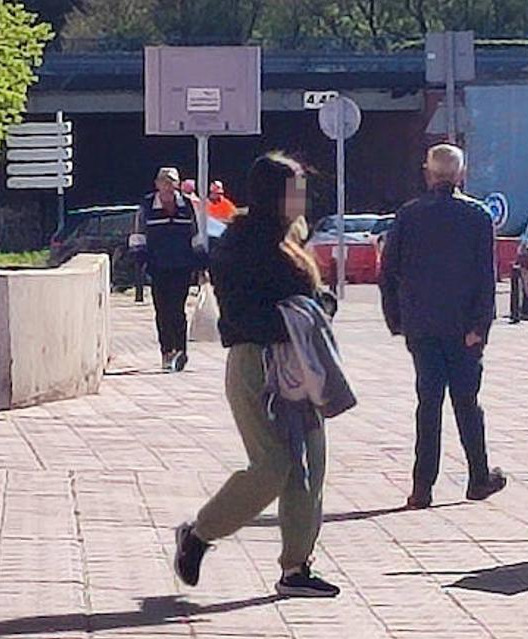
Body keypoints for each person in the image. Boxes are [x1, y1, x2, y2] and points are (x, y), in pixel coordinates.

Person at [173, 153, 340, 598]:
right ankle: (198, 535)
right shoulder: (242, 242)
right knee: (273, 465)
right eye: (295, 189)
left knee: (308, 467)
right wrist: (296, 316)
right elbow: (241, 316)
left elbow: (313, 298)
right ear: (273, 193)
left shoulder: (292, 239)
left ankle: (296, 567)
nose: (302, 198)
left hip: (300, 365)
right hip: (258, 366)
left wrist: (318, 308)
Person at [379, 144, 507, 510]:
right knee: (467, 403)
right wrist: (480, 325)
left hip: (421, 327)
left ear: (428, 174)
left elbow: (388, 272)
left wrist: (397, 320)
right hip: (463, 328)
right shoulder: (478, 216)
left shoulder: (407, 216)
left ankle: (422, 488)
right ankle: (478, 477)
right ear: (461, 175)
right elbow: (486, 277)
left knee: (428, 403)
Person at [135, 167, 203, 373]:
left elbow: (196, 234)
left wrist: (200, 260)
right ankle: (166, 351)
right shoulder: (147, 206)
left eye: (171, 181)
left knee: (177, 310)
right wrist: (139, 256)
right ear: (157, 184)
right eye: (163, 181)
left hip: (182, 265)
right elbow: (139, 232)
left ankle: (181, 350)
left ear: (177, 184)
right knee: (162, 310)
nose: (167, 185)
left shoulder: (187, 206)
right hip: (158, 266)